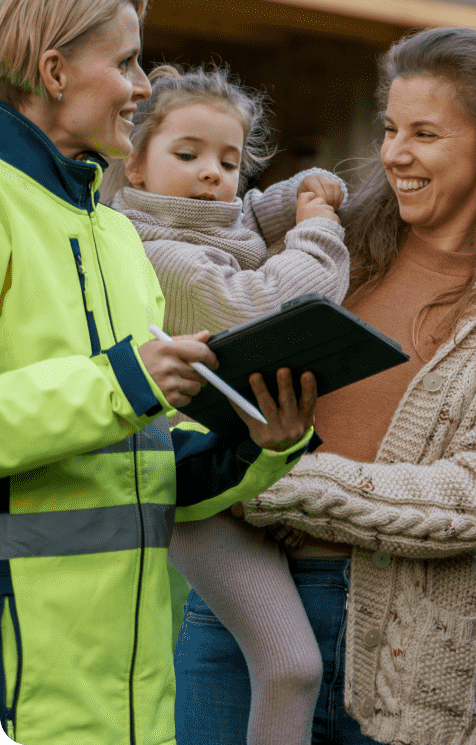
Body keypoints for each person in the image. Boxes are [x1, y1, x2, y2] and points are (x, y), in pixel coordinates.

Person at [174, 26, 476, 745]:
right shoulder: (326, 246)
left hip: (408, 639)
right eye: (392, 128)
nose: (395, 153)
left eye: (425, 134)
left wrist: (260, 481)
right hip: (241, 607)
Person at [0, 0, 316, 745]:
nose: (145, 87)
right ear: (55, 70)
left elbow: (143, 463)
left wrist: (255, 444)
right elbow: (119, 394)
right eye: (129, 62)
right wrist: (124, 381)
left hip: (124, 700)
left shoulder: (113, 235)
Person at [112, 62, 351, 745]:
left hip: (247, 465)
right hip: (196, 486)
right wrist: (316, 227)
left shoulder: (205, 222)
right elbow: (263, 303)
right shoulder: (160, 253)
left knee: (284, 663)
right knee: (291, 665)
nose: (213, 172)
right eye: (187, 155)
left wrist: (296, 194)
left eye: (229, 158)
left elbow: (241, 216)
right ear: (135, 164)